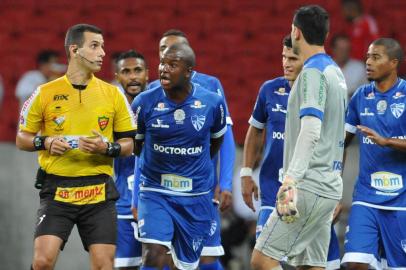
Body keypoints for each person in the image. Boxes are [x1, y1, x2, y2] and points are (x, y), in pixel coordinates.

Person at [16, 24, 136, 270]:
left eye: (102, 46)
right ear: (74, 50)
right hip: (57, 190)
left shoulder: (113, 94)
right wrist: (45, 142)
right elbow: (22, 138)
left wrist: (107, 148)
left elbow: (130, 143)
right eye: (94, 46)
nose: (102, 52)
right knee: (42, 262)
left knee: (104, 264)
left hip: (99, 192)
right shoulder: (44, 92)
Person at [251, 5, 347, 270]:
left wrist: (290, 179)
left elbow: (312, 129)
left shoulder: (312, 73)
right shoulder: (336, 73)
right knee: (312, 265)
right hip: (328, 185)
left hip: (306, 186)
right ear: (325, 34)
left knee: (262, 259)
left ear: (295, 31)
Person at [131, 43, 227, 270]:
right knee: (153, 253)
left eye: (172, 65)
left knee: (185, 265)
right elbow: (137, 146)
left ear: (188, 71)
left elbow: (216, 142)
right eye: (162, 63)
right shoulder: (144, 103)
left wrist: (195, 166)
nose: (163, 69)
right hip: (155, 191)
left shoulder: (212, 102)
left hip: (195, 195)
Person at [342, 38, 406, 270]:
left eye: (376, 57)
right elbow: (342, 143)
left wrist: (387, 142)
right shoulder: (360, 96)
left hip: (401, 200)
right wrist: (334, 188)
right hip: (366, 197)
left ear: (393, 63)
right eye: (368, 56)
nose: (368, 62)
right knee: (356, 263)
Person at [114, 50, 149, 269]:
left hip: (158, 201)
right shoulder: (109, 113)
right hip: (123, 205)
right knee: (125, 266)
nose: (133, 76)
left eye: (137, 70)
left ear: (147, 74)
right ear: (118, 77)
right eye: (126, 71)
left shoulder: (162, 107)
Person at [331, 33, 368, 97]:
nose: (343, 53)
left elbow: (367, 92)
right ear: (333, 50)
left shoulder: (359, 68)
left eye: (346, 50)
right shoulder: (324, 68)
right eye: (341, 49)